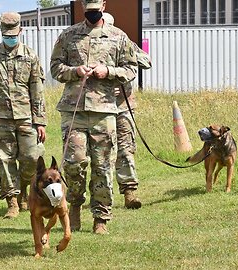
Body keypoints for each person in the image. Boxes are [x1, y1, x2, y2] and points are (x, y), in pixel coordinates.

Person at [50, 0, 138, 234]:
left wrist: (108, 71)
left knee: (103, 165)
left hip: (105, 110)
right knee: (74, 163)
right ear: (82, 7)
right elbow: (55, 67)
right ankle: (75, 207)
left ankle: (101, 217)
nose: (92, 12)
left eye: (95, 8)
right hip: (74, 110)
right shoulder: (68, 35)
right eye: (88, 9)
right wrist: (74, 71)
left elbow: (131, 68)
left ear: (104, 6)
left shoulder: (118, 36)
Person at [0, 12, 47, 219]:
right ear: (1, 33)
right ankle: (13, 202)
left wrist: (40, 121)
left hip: (26, 118)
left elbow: (37, 91)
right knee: (5, 160)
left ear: (20, 31)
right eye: (6, 34)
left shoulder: (31, 56)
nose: (10, 38)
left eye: (13, 34)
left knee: (32, 158)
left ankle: (23, 187)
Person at [103, 12, 152, 209]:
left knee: (125, 149)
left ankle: (130, 193)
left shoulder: (125, 42)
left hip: (123, 106)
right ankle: (101, 195)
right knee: (101, 152)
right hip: (98, 107)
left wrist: (125, 65)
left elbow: (146, 61)